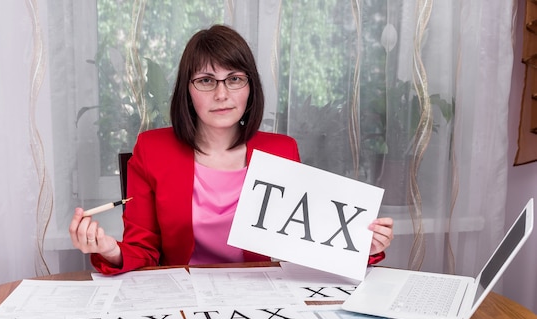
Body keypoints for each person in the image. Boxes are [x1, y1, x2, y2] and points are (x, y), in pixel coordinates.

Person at [69, 24, 394, 275]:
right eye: (207, 81)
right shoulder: (153, 150)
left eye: (235, 79)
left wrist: (365, 246)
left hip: (258, 299)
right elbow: (144, 249)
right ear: (188, 90)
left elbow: (308, 242)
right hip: (180, 298)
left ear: (250, 88)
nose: (222, 94)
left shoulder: (281, 150)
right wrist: (109, 249)